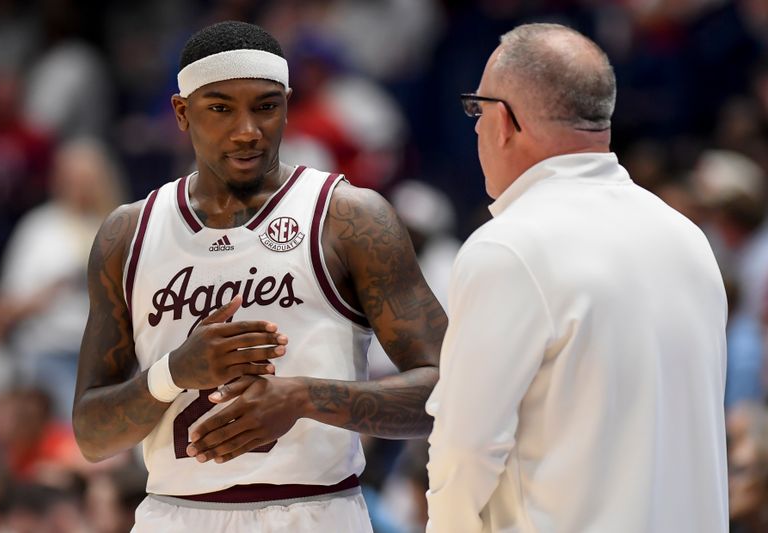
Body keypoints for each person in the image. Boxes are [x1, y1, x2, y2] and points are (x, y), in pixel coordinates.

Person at [72, 20, 445, 533]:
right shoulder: (127, 233)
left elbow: (445, 393)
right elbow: (92, 434)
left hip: (318, 508)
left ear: (288, 106)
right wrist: (173, 372)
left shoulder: (350, 218)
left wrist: (303, 397)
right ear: (182, 112)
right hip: (173, 514)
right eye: (221, 108)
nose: (247, 129)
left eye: (266, 106)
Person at [426, 23, 728, 533]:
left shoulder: (509, 248)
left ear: (503, 121)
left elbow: (466, 451)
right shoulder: (687, 238)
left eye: (477, 110)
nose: (475, 128)